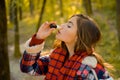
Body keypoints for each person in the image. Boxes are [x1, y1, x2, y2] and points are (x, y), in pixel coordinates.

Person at [20, 14, 114, 80]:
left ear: (78, 37)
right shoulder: (56, 57)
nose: (62, 26)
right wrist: (38, 38)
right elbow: (28, 68)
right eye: (66, 22)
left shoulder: (88, 69)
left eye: (69, 26)